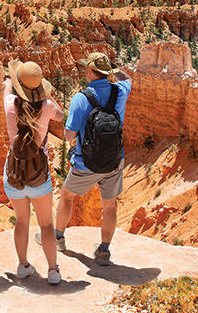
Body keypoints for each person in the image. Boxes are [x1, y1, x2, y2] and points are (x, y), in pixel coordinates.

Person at [38, 52, 131, 266]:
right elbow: (127, 78)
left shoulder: (81, 98)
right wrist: (113, 68)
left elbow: (69, 135)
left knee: (67, 195)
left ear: (89, 71)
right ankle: (104, 251)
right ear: (107, 72)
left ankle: (58, 238)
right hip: (114, 159)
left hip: (85, 162)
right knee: (109, 206)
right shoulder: (121, 90)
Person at [2, 60, 65, 285]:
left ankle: (23, 266)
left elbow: (7, 89)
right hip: (39, 173)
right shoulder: (47, 106)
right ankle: (53, 271)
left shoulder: (9, 103)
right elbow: (60, 114)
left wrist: (10, 81)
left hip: (14, 172)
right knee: (46, 224)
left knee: (21, 222)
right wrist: (48, 96)